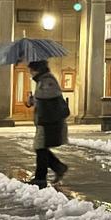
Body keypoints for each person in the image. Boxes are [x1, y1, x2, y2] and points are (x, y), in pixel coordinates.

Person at [25, 59, 69, 188]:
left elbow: (49, 99)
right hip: (44, 121)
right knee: (40, 148)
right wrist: (32, 101)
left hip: (48, 122)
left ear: (37, 70)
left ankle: (41, 178)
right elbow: (44, 100)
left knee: (40, 148)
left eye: (31, 70)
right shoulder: (42, 81)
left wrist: (36, 99)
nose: (30, 73)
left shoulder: (47, 81)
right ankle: (58, 168)